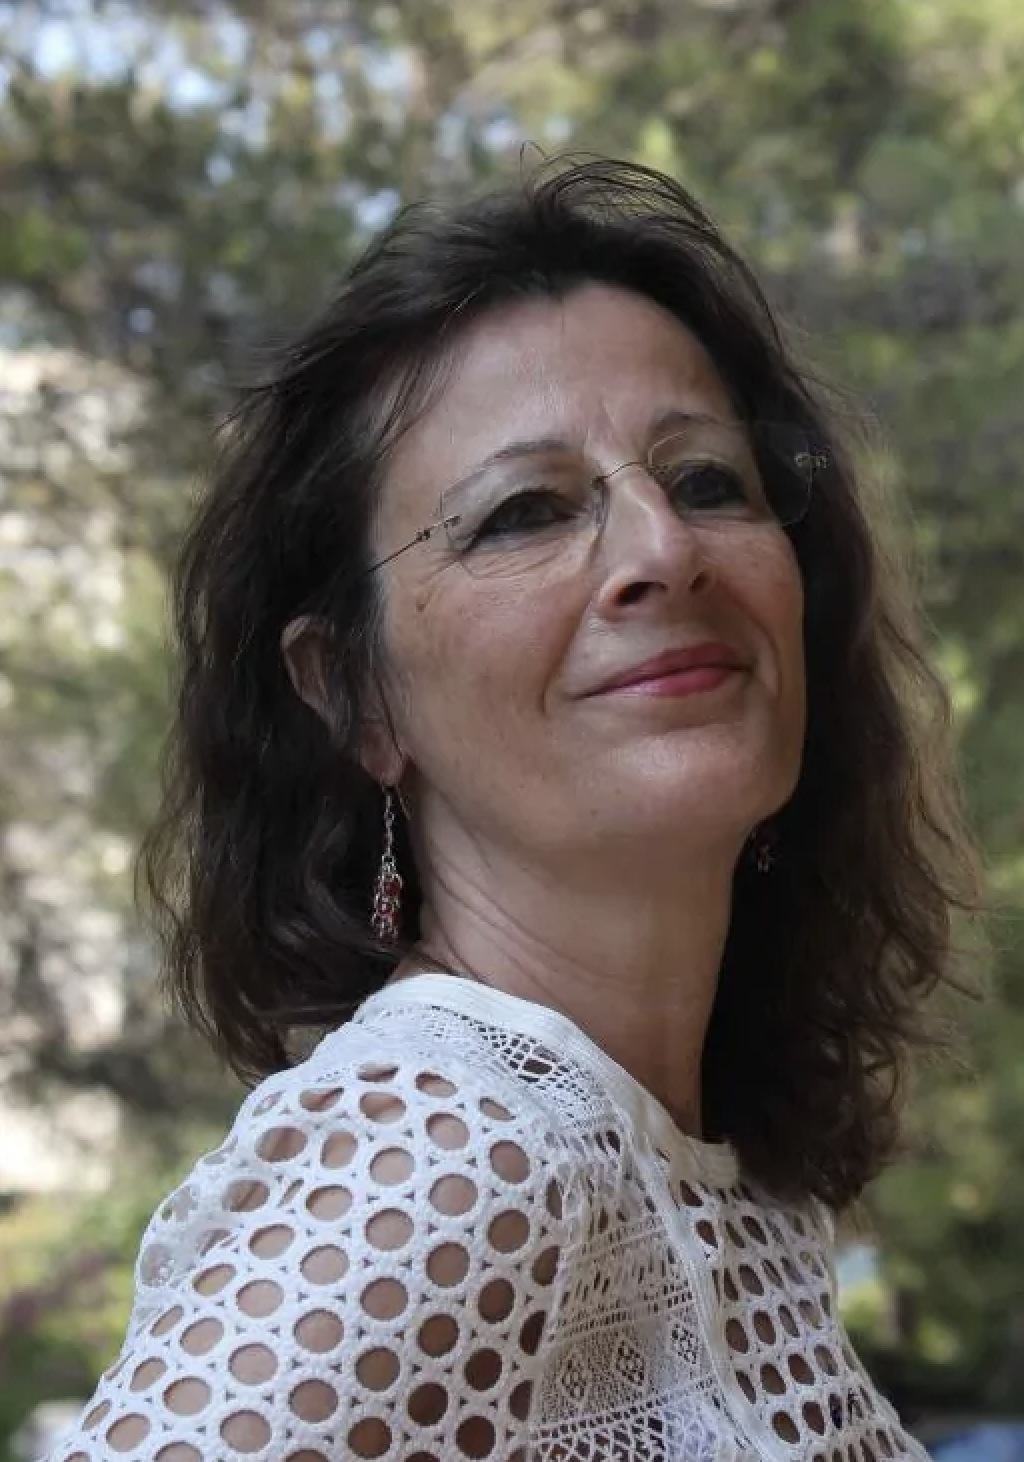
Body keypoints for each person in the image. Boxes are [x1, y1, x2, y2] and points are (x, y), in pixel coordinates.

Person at [46, 155, 981, 1462]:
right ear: (355, 696)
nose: (664, 550)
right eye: (524, 512)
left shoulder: (708, 1176)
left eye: (708, 481)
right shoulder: (449, 1157)